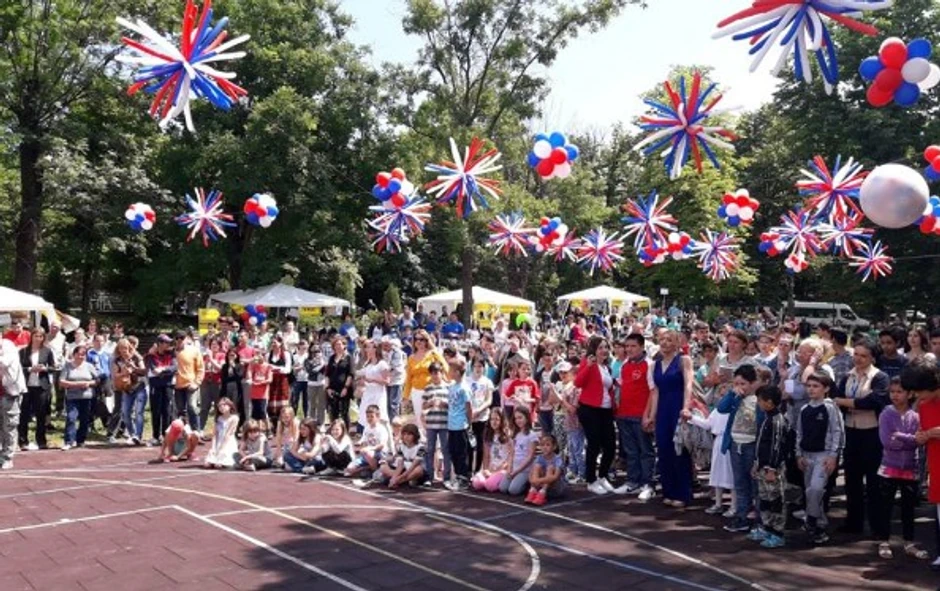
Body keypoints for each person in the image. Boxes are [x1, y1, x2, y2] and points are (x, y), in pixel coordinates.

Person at [833, 341, 890, 536]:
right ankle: (853, 523)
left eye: (863, 355)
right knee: (852, 480)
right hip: (851, 431)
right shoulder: (848, 376)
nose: (858, 359)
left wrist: (846, 402)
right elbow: (837, 398)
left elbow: (873, 401)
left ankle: (877, 526)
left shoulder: (880, 377)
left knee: (874, 482)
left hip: (872, 433)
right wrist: (850, 403)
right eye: (856, 354)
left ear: (872, 358)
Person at [874, 378, 927, 560]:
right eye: (892, 392)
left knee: (908, 508)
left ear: (910, 394)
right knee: (885, 506)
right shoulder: (886, 414)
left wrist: (900, 437)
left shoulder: (916, 416)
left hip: (911, 466)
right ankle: (883, 541)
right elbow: (887, 442)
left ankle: (909, 542)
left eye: (899, 392)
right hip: (889, 466)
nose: (895, 395)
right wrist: (911, 439)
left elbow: (920, 440)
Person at [900, 359, 940, 570]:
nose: (916, 396)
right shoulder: (924, 406)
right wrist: (922, 436)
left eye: (918, 390)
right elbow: (923, 432)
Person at [796, 372, 844, 545]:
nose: (811, 389)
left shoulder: (830, 408)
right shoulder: (804, 409)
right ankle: (819, 525)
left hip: (823, 455)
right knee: (810, 492)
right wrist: (798, 454)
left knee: (816, 489)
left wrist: (833, 455)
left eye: (815, 386)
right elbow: (799, 433)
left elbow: (838, 431)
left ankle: (811, 520)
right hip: (807, 455)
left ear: (826, 389)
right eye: (808, 386)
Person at [648, 330, 695, 508]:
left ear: (676, 343)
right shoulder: (655, 365)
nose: (664, 343)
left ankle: (683, 493)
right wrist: (652, 415)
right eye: (662, 339)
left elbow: (688, 384)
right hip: (662, 410)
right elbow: (655, 393)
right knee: (664, 450)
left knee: (679, 451)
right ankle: (668, 491)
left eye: (669, 340)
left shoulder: (684, 360)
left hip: (678, 407)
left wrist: (686, 407)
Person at [717, 364, 762, 531]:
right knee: (740, 483)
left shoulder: (758, 400)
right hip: (736, 444)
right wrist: (731, 393)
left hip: (752, 445)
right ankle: (741, 517)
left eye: (743, 384)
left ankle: (759, 520)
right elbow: (721, 408)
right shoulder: (735, 398)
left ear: (752, 383)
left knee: (755, 484)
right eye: (736, 383)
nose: (740, 387)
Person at [613, 333, 656, 500]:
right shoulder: (624, 364)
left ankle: (648, 484)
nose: (629, 349)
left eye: (633, 346)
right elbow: (620, 386)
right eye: (627, 346)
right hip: (624, 414)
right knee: (631, 451)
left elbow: (653, 391)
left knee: (646, 451)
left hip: (640, 415)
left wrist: (649, 415)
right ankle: (632, 481)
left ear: (642, 347)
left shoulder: (649, 365)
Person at [574, 336, 617, 495]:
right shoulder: (588, 363)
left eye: (606, 347)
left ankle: (602, 475)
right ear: (594, 350)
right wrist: (588, 366)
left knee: (610, 445)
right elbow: (578, 382)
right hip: (590, 409)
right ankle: (591, 480)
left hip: (606, 410)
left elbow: (608, 388)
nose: (604, 350)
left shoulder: (607, 368)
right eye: (600, 348)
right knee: (594, 445)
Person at [751, 386, 789, 549]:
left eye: (760, 400)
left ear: (769, 402)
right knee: (765, 499)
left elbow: (776, 447)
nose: (758, 403)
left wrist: (772, 468)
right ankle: (766, 528)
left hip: (772, 469)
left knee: (776, 501)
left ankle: (777, 533)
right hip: (762, 467)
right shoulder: (767, 418)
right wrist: (757, 463)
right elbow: (761, 445)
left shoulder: (777, 421)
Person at [18, 328, 54, 450]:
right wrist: (30, 369)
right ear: (31, 337)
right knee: (24, 414)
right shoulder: (23, 351)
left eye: (40, 336)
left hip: (41, 386)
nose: (38, 338)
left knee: (41, 414)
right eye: (36, 336)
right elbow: (18, 368)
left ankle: (41, 441)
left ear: (43, 338)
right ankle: (23, 441)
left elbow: (53, 367)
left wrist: (45, 369)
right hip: (26, 386)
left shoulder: (47, 351)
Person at [403, 329, 447, 431]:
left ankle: (436, 439)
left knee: (433, 417)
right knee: (420, 418)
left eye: (422, 339)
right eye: (416, 339)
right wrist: (405, 396)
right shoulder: (411, 358)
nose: (419, 341)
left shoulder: (433, 354)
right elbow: (408, 378)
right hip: (416, 391)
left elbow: (445, 367)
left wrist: (436, 352)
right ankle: (423, 439)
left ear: (427, 340)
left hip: (431, 390)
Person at [111, 338, 147, 445]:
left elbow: (144, 371)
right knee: (125, 413)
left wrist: (133, 368)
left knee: (139, 412)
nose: (123, 350)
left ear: (129, 348)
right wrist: (123, 373)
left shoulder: (136, 357)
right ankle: (132, 434)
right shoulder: (117, 360)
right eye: (121, 348)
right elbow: (115, 375)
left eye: (125, 348)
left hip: (139, 386)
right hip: (126, 388)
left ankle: (138, 436)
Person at [445, 358, 473, 491]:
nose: (448, 372)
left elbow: (468, 407)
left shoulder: (464, 388)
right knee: (453, 451)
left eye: (450, 370)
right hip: (451, 425)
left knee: (461, 452)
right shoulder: (452, 387)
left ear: (457, 372)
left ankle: (464, 478)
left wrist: (469, 423)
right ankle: (458, 475)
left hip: (461, 425)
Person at [422, 361, 451, 484]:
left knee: (446, 450)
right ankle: (429, 476)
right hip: (431, 424)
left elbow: (452, 405)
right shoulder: (427, 388)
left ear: (442, 373)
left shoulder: (448, 387)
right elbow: (423, 406)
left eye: (437, 373)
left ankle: (446, 477)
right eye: (432, 373)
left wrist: (443, 403)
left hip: (444, 423)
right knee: (430, 450)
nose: (435, 376)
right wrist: (430, 403)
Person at [0, 339, 26, 469]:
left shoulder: (8, 346)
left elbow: (3, 363)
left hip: (10, 393)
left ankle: (7, 458)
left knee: (9, 426)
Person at [500, 408, 538, 496]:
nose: (518, 420)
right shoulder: (515, 434)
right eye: (516, 418)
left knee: (513, 490)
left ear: (527, 418)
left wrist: (516, 471)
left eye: (520, 418)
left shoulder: (532, 435)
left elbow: (530, 456)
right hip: (514, 467)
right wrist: (509, 468)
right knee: (503, 488)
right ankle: (518, 480)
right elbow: (512, 453)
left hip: (524, 469)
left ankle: (527, 483)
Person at [146, 334, 176, 445]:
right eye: (166, 342)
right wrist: (166, 371)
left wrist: (163, 369)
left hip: (168, 386)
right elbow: (154, 370)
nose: (168, 344)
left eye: (168, 342)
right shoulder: (151, 356)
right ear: (159, 343)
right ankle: (155, 436)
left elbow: (174, 367)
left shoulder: (171, 354)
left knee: (167, 410)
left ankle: (165, 435)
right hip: (156, 386)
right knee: (156, 411)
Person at [174, 333, 205, 435]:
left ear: (186, 339)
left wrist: (197, 383)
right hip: (177, 385)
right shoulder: (171, 352)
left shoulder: (194, 351)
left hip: (191, 384)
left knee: (192, 407)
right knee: (180, 410)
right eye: (177, 338)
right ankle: (183, 433)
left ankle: (196, 431)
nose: (179, 340)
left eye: (182, 338)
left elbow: (201, 368)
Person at [345, 405, 389, 478]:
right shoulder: (366, 428)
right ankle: (367, 469)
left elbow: (382, 445)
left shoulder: (381, 429)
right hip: (367, 454)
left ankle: (375, 471)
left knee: (367, 453)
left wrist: (370, 448)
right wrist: (357, 444)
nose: (369, 419)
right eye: (368, 417)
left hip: (380, 454)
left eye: (372, 416)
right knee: (349, 469)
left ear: (378, 417)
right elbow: (363, 440)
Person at [471, 411, 511, 492]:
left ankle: (496, 481)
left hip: (502, 469)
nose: (494, 422)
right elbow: (486, 456)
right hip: (491, 467)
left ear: (502, 421)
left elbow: (510, 456)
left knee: (490, 486)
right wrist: (486, 469)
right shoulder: (488, 435)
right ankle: (489, 479)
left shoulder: (507, 435)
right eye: (492, 419)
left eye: (497, 419)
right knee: (477, 483)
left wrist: (498, 470)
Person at [468, 357, 494, 473]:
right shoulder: (466, 380)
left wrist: (478, 410)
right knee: (469, 445)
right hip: (469, 418)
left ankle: (477, 470)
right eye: (475, 366)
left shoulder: (487, 382)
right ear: (472, 367)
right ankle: (468, 470)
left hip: (482, 417)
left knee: (480, 445)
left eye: (480, 366)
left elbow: (489, 400)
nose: (478, 369)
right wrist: (470, 412)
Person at [525, 434, 566, 506]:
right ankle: (533, 490)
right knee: (537, 466)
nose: (545, 447)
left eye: (548, 445)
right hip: (541, 485)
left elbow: (555, 477)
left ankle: (542, 493)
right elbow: (531, 474)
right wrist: (533, 481)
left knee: (550, 467)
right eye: (542, 445)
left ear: (554, 447)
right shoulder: (539, 457)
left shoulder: (557, 459)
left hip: (556, 488)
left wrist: (537, 480)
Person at [383, 423, 427, 488]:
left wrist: (398, 479)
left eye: (409, 434)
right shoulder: (401, 447)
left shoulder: (421, 448)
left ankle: (401, 482)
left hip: (414, 471)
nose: (406, 437)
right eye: (404, 434)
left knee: (418, 470)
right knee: (383, 467)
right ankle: (405, 481)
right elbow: (400, 465)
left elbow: (413, 466)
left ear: (415, 435)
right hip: (404, 469)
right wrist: (394, 478)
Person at [358, 340, 389, 429]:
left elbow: (387, 381)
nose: (366, 349)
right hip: (368, 393)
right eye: (366, 347)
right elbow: (360, 373)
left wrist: (372, 380)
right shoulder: (368, 363)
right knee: (366, 416)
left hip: (378, 394)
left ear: (375, 349)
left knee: (380, 416)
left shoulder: (382, 364)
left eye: (368, 347)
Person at [325, 337, 354, 428]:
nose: (337, 346)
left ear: (344, 345)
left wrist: (346, 388)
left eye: (339, 344)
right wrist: (327, 388)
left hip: (344, 389)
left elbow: (351, 374)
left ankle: (346, 432)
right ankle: (334, 431)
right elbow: (327, 374)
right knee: (333, 412)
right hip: (332, 388)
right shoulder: (332, 358)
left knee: (344, 412)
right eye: (335, 345)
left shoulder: (348, 358)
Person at [204, 398, 239, 469]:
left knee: (219, 464)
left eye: (224, 405)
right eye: (219, 406)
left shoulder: (234, 418)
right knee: (207, 464)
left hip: (228, 442)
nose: (221, 407)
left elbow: (228, 434)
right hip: (218, 441)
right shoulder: (218, 418)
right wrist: (213, 447)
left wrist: (222, 448)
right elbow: (215, 434)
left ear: (230, 406)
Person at [199, 338, 225, 433]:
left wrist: (211, 359)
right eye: (212, 344)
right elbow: (202, 368)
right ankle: (200, 429)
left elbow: (220, 368)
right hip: (206, 383)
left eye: (216, 344)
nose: (214, 346)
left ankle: (219, 429)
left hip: (217, 383)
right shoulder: (205, 356)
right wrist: (206, 360)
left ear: (219, 346)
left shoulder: (222, 355)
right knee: (204, 407)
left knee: (219, 407)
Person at [266, 338, 292, 431]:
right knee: (272, 404)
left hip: (282, 381)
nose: (273, 344)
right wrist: (278, 368)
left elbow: (288, 370)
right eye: (272, 342)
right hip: (272, 381)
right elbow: (266, 368)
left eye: (275, 342)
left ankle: (285, 427)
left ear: (280, 343)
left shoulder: (286, 354)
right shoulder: (268, 355)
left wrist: (274, 368)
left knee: (283, 403)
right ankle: (274, 427)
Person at [247, 352, 273, 429]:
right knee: (255, 413)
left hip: (263, 394)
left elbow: (270, 379)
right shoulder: (253, 365)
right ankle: (258, 428)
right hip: (254, 393)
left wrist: (260, 383)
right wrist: (250, 363)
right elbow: (249, 375)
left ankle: (268, 429)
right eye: (257, 354)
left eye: (260, 354)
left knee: (263, 412)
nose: (258, 356)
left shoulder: (268, 366)